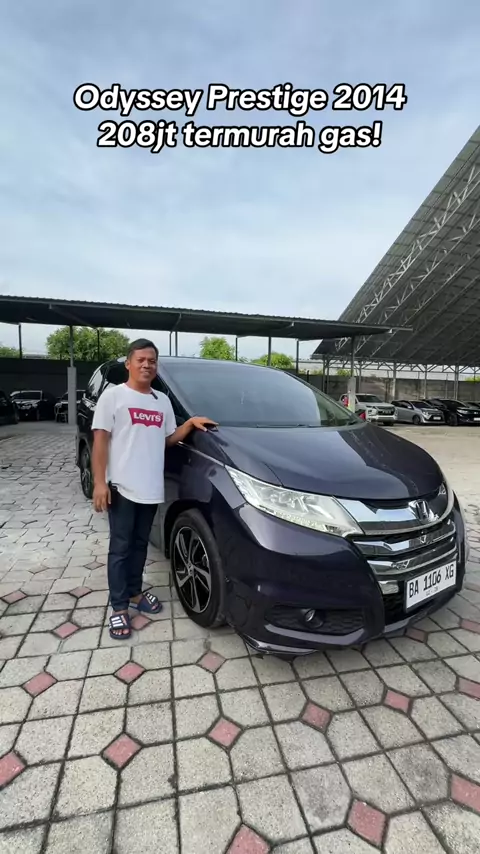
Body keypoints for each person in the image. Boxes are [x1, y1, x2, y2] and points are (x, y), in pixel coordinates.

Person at [91, 338, 217, 639]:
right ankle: (119, 607)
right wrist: (99, 483)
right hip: (121, 486)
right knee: (120, 548)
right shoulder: (114, 396)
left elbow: (166, 440)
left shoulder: (161, 401)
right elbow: (100, 441)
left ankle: (135, 593)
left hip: (149, 487)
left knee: (139, 545)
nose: (147, 365)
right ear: (129, 363)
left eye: (152, 361)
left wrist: (189, 424)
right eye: (141, 360)